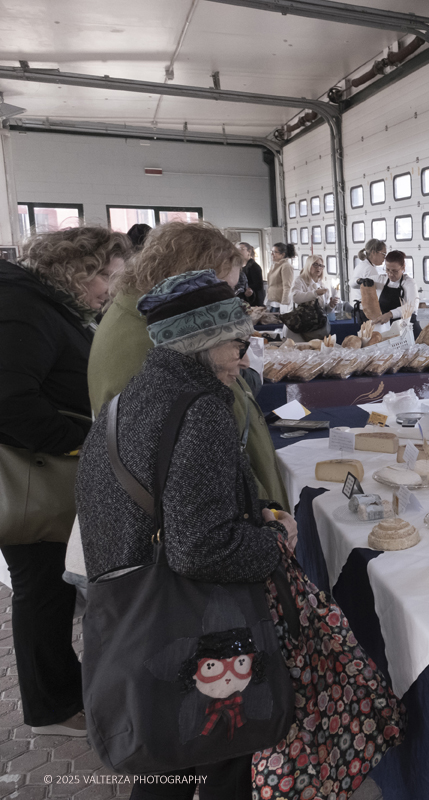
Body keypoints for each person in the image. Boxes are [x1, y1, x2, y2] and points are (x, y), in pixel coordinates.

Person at [76, 271, 404, 799]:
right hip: (191, 623)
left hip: (132, 610)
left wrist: (254, 515)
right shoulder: (199, 411)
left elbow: (157, 506)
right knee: (221, 750)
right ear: (203, 343)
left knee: (168, 758)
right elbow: (200, 547)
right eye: (237, 343)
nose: (245, 357)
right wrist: (271, 540)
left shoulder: (130, 398)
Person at [0, 226, 132, 737]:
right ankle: (52, 708)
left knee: (50, 590)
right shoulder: (22, 305)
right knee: (41, 591)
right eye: (108, 279)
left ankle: (59, 693)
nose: (110, 292)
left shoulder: (40, 301)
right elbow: (9, 400)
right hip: (34, 478)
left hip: (46, 472)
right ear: (83, 271)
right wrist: (80, 442)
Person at [88, 221, 290, 511]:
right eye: (225, 291)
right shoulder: (149, 342)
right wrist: (260, 515)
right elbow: (188, 467)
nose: (229, 305)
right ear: (188, 280)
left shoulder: (149, 322)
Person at [284, 256, 335, 342]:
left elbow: (322, 310)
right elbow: (295, 297)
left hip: (314, 329)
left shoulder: (322, 285)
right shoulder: (299, 280)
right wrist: (315, 293)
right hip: (298, 327)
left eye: (321, 265)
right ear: (308, 265)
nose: (318, 268)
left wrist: (330, 306)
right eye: (315, 265)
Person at [374, 250, 421, 336]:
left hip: (409, 331)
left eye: (395, 271)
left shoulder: (409, 283)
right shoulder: (382, 280)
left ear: (403, 268)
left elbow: (412, 306)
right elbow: (353, 282)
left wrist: (390, 314)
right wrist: (361, 281)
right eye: (387, 270)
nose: (390, 274)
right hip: (390, 332)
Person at [350, 239, 387, 323]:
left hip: (360, 310)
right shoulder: (369, 269)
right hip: (367, 311)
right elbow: (377, 292)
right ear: (374, 252)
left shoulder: (362, 264)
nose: (384, 257)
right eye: (383, 254)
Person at [265, 242, 296, 311]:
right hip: (273, 301)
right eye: (272, 251)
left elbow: (287, 286)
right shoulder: (275, 265)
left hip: (279, 303)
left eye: (274, 252)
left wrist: (284, 304)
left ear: (282, 254)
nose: (272, 254)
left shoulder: (286, 266)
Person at [238, 242, 266, 307]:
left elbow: (258, 285)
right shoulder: (241, 266)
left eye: (241, 249)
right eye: (237, 249)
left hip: (254, 301)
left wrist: (245, 288)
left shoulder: (254, 267)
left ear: (249, 251)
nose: (239, 252)